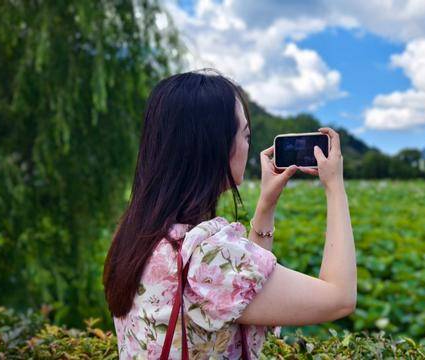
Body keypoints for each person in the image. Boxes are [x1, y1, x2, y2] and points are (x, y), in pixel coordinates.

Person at [102, 68, 357, 359]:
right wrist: (335, 186)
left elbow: (242, 289)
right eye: (245, 135)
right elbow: (339, 298)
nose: (248, 146)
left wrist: (266, 204)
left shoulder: (140, 237)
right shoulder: (207, 256)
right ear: (215, 145)